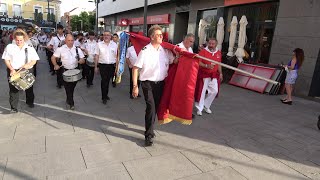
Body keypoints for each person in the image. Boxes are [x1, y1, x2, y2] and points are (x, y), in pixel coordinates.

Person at [132, 25, 178, 146]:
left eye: (161, 34)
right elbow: (135, 68)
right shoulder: (145, 51)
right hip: (148, 84)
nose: (161, 36)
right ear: (152, 37)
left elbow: (173, 61)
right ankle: (148, 135)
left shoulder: (165, 50)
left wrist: (181, 54)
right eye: (158, 35)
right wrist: (135, 86)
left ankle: (150, 128)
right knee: (151, 107)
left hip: (161, 84)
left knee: (155, 108)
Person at [2, 29, 40, 113]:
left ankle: (30, 102)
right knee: (13, 89)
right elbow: (6, 59)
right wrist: (11, 69)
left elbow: (34, 60)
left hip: (26, 70)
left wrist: (28, 65)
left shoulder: (29, 48)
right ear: (14, 39)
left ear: (24, 39)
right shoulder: (10, 47)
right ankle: (13, 107)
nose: (19, 42)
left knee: (28, 87)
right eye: (17, 40)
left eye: (21, 40)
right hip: (13, 70)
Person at [51, 34, 85, 110]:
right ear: (65, 41)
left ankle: (69, 98)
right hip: (64, 70)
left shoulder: (77, 49)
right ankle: (71, 102)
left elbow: (83, 59)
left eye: (72, 40)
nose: (70, 42)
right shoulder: (60, 49)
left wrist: (81, 61)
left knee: (72, 87)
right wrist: (55, 65)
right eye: (68, 40)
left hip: (75, 71)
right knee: (67, 87)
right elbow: (53, 58)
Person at [194, 38, 223, 116]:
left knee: (214, 91)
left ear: (216, 44)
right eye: (209, 43)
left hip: (213, 74)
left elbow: (219, 63)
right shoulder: (203, 52)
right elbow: (198, 62)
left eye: (212, 44)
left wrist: (220, 73)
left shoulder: (218, 53)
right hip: (204, 74)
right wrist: (206, 65)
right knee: (202, 92)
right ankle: (199, 108)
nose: (211, 45)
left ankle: (206, 105)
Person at [94, 31, 118, 104]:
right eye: (105, 35)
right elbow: (96, 56)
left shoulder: (114, 45)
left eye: (108, 35)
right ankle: (104, 97)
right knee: (104, 81)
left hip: (111, 65)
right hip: (103, 65)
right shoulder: (99, 44)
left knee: (108, 80)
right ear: (103, 36)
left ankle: (106, 94)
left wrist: (117, 66)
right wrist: (95, 67)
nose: (106, 36)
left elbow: (117, 56)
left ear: (110, 36)